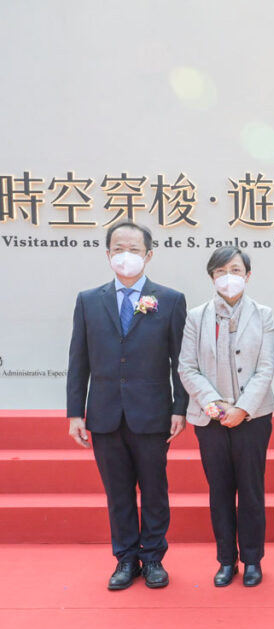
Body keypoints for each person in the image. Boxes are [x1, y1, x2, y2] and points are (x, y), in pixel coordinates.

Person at [66, 220, 187, 590]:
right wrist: (75, 413)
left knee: (154, 491)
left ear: (148, 255)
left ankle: (153, 558)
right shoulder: (89, 300)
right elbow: (78, 360)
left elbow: (180, 362)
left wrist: (179, 408)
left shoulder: (170, 300)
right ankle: (125, 559)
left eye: (134, 249)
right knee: (117, 493)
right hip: (104, 414)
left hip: (152, 413)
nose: (126, 256)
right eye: (118, 249)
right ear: (107, 254)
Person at [178, 247, 274, 587]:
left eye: (235, 270)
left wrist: (242, 408)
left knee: (251, 490)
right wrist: (215, 405)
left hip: (253, 417)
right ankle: (225, 560)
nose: (228, 277)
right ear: (212, 277)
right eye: (221, 271)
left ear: (248, 275)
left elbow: (266, 368)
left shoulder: (263, 315)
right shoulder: (196, 317)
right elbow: (187, 367)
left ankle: (252, 560)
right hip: (210, 419)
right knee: (219, 490)